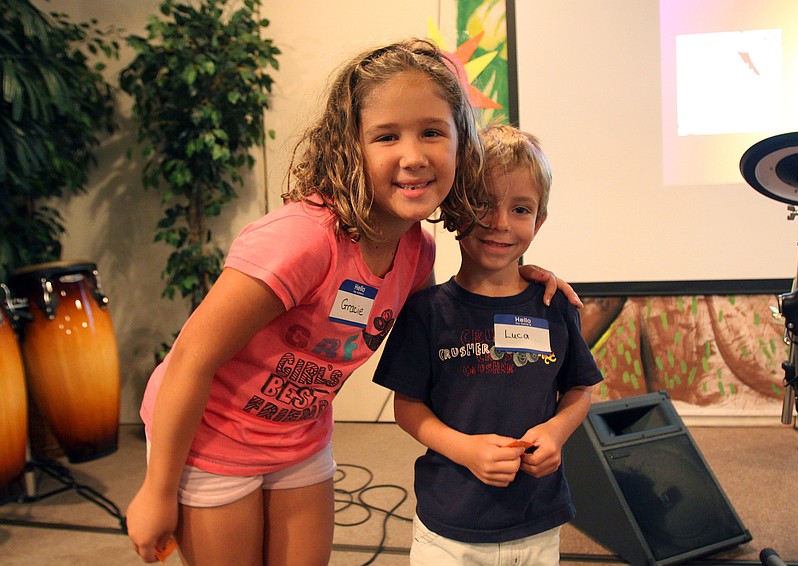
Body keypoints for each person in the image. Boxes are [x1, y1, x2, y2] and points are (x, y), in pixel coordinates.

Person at [126, 39, 578, 566]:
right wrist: (157, 490)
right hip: (213, 438)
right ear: (350, 146)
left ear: (462, 145)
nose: (413, 156)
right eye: (387, 136)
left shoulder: (416, 250)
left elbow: (451, 315)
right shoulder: (300, 240)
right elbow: (190, 360)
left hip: (300, 437)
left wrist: (517, 274)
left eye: (432, 131)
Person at [373, 125, 604, 565]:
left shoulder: (556, 305)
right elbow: (408, 407)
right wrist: (466, 449)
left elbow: (580, 389)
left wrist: (556, 432)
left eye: (520, 209)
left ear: (539, 221)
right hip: (449, 528)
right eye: (482, 203)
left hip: (537, 519)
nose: (500, 223)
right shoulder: (426, 312)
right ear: (454, 209)